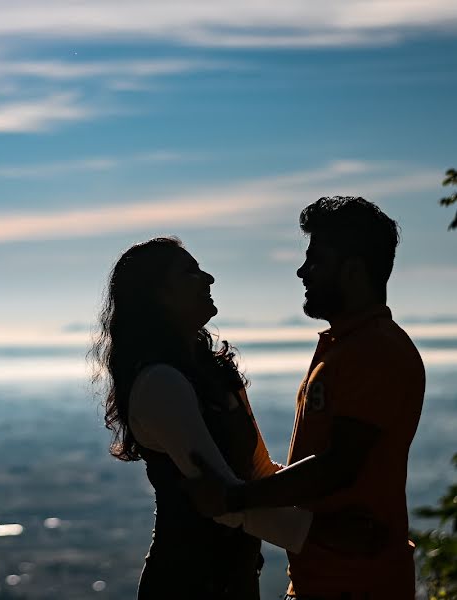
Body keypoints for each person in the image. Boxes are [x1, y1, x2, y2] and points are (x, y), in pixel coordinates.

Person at [185, 197, 424, 600]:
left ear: (351, 272)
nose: (302, 271)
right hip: (333, 576)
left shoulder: (374, 350)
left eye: (315, 261)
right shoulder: (347, 346)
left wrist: (233, 498)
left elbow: (337, 467)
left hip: (359, 583)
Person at [91, 236, 352, 599]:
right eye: (190, 272)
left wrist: (324, 503)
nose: (209, 278)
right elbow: (222, 503)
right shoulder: (160, 383)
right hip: (187, 584)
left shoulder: (213, 372)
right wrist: (330, 537)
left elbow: (256, 473)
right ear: (158, 296)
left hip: (236, 579)